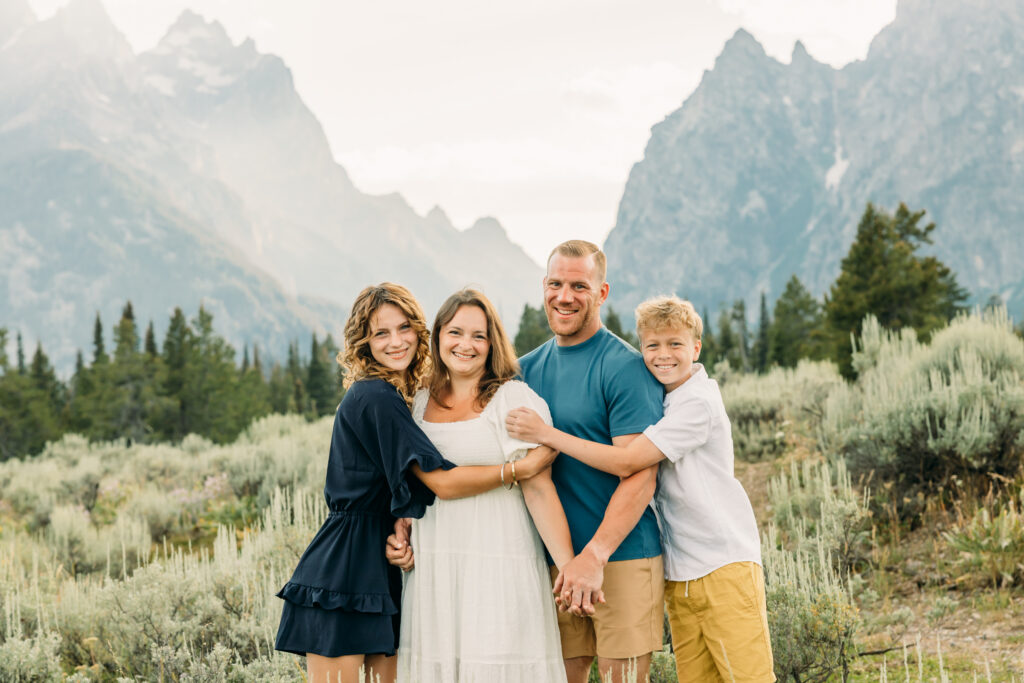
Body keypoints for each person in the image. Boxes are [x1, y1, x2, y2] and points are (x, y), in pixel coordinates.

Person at [274, 283, 558, 683]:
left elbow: (400, 485)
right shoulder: (376, 396)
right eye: (380, 333)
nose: (396, 342)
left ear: (420, 331)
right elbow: (440, 482)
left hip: (384, 563)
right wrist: (519, 470)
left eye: (404, 328)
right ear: (363, 342)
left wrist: (402, 524)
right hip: (347, 566)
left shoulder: (407, 395)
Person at [507, 295, 775, 683]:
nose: (662, 355)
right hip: (682, 573)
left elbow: (628, 462)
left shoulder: (697, 404)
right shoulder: (667, 398)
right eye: (652, 345)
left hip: (724, 564)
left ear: (696, 347)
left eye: (675, 344)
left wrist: (546, 434)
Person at [392, 288, 572, 682]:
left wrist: (568, 567)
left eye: (479, 335)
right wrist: (400, 527)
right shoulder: (416, 403)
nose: (466, 345)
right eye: (455, 332)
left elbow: (540, 489)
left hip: (499, 566)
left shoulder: (512, 400)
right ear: (438, 336)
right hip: (435, 570)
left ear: (493, 344)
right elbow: (415, 483)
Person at [522, 240, 666, 683]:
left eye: (579, 286)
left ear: (602, 293)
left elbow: (641, 475)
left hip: (620, 558)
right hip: (554, 563)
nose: (564, 296)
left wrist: (595, 556)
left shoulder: (624, 367)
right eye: (556, 284)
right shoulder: (525, 370)